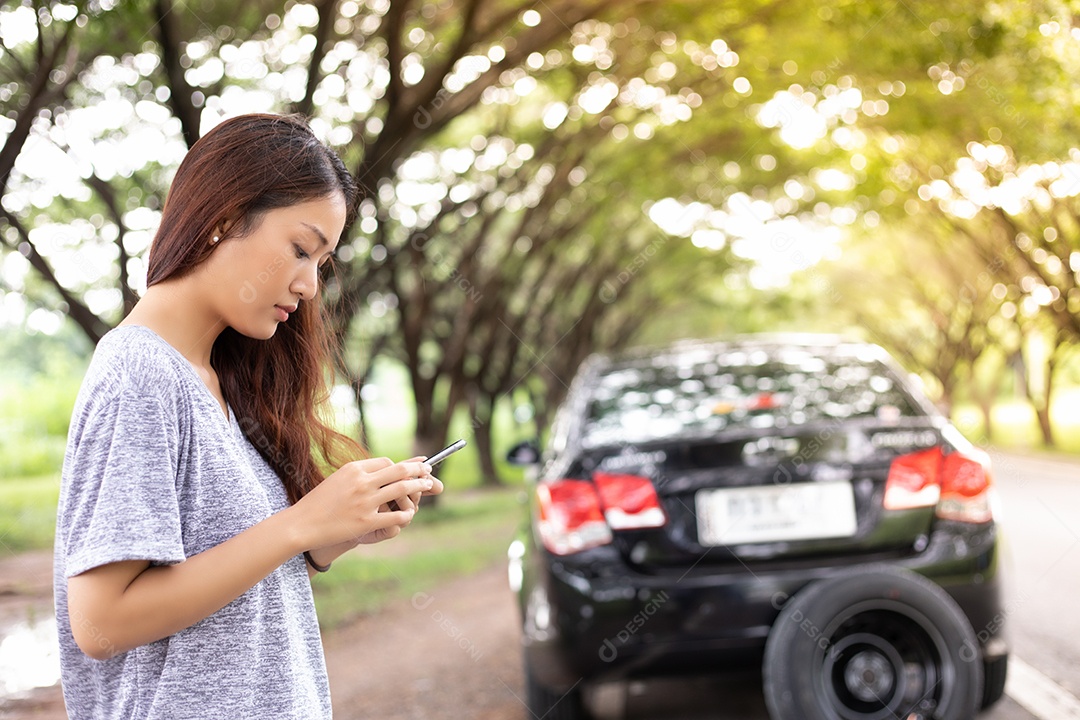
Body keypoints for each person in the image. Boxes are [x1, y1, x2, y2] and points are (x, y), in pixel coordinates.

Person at [53, 113, 443, 719]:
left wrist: (330, 538)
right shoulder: (140, 373)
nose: (311, 285)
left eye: (322, 263)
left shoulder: (219, 379)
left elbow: (225, 590)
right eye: (300, 249)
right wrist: (299, 525)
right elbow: (101, 623)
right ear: (224, 219)